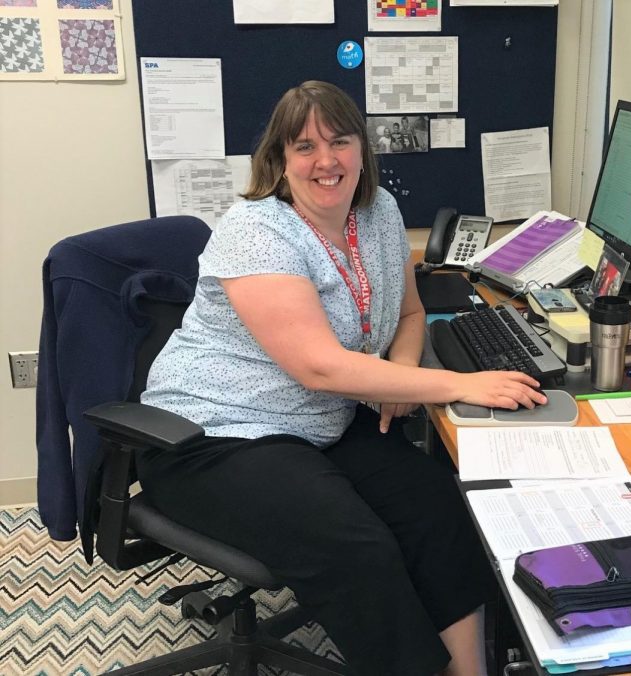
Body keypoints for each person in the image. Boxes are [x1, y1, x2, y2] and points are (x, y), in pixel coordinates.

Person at [137, 80, 545, 676]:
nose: (325, 161)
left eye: (340, 142)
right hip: (209, 436)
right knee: (358, 547)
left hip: (320, 424)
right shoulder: (255, 232)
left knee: (440, 509)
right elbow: (319, 367)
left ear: (363, 151)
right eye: (304, 147)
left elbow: (409, 312)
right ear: (278, 160)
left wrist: (401, 374)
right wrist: (459, 385)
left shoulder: (378, 214)